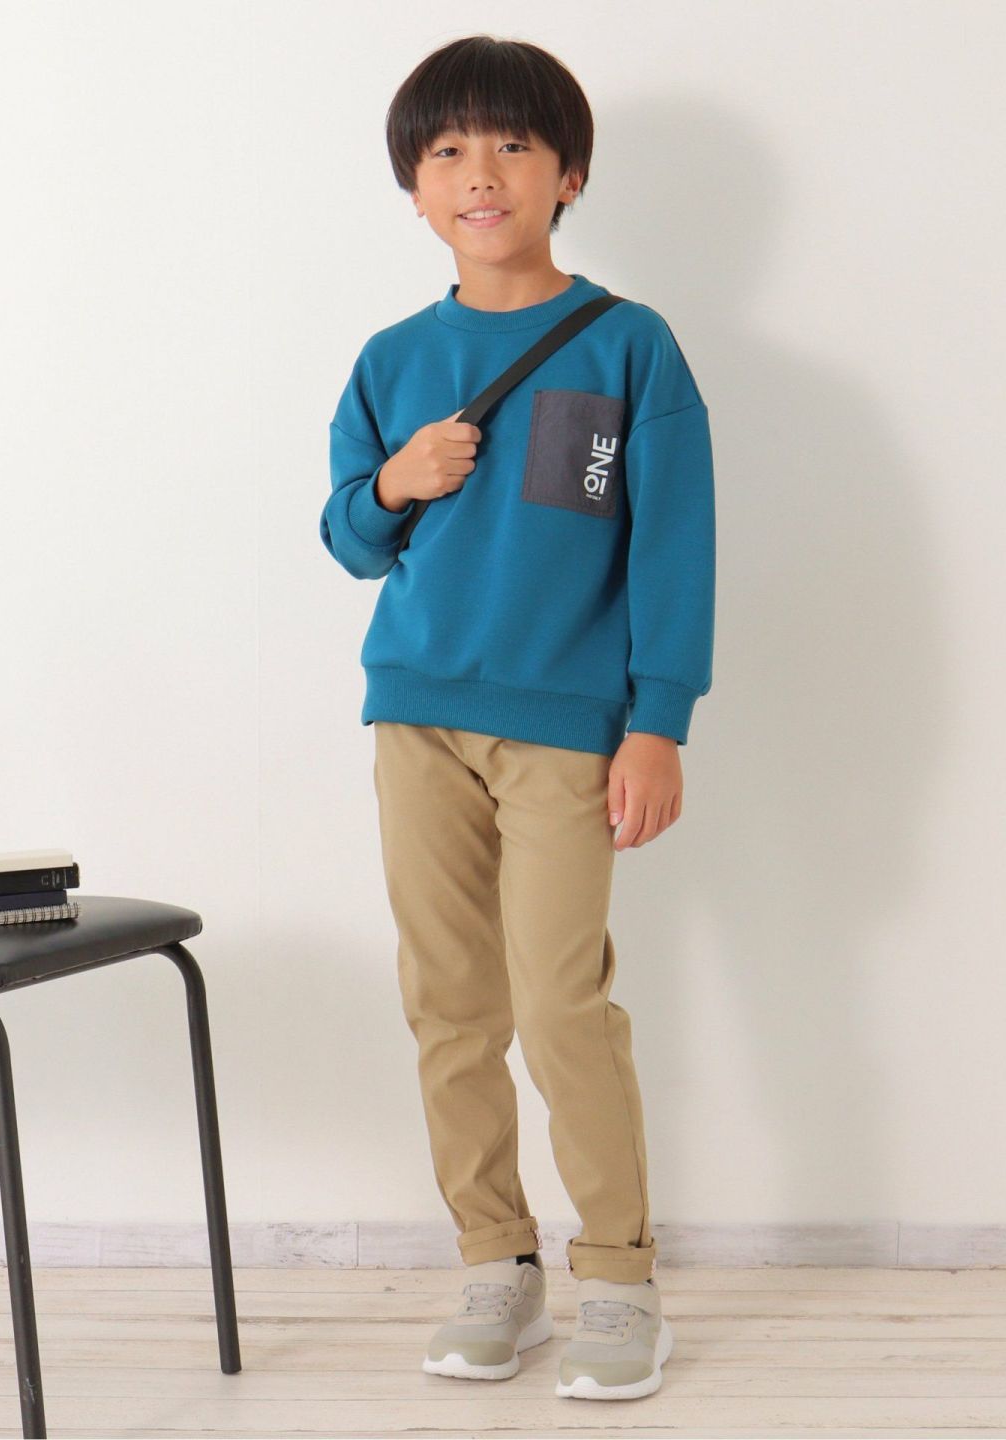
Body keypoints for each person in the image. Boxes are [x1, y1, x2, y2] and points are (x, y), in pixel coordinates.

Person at [319, 33, 715, 1402]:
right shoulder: (391, 359)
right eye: (446, 152)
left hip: (567, 726)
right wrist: (397, 482)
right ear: (415, 190)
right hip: (415, 716)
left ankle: (619, 1279)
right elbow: (350, 540)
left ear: (568, 174)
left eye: (510, 145)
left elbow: (672, 548)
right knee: (448, 1004)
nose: (478, 173)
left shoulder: (628, 345)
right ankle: (497, 1262)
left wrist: (657, 721)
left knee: (560, 1004)